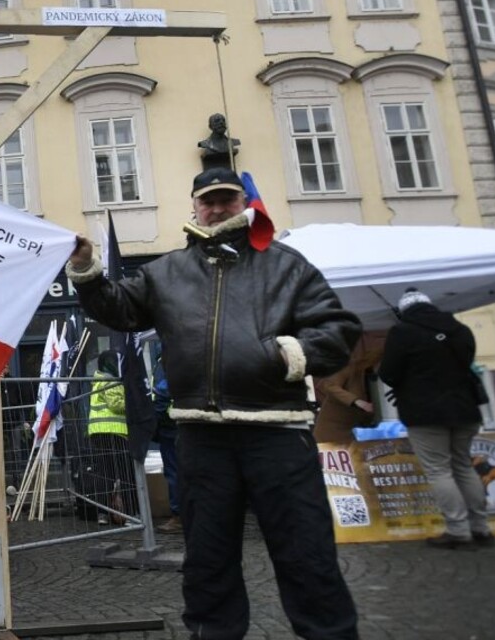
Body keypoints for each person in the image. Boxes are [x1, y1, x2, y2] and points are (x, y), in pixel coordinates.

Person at [66, 167, 362, 640]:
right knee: (207, 558)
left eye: (227, 198)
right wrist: (85, 268)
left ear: (242, 202)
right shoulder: (167, 272)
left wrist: (281, 354)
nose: (218, 207)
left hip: (278, 434)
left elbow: (338, 331)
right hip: (202, 437)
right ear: (195, 207)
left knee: (306, 553)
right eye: (209, 200)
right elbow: (117, 308)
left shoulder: (287, 266)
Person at [377, 288, 494, 549]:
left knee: (439, 469)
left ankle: (458, 531)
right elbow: (467, 363)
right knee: (463, 465)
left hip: (425, 412)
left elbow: (389, 373)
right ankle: (481, 528)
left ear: (404, 310)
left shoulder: (403, 332)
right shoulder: (459, 329)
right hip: (465, 409)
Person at [86, 350, 136, 525]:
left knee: (105, 474)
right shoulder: (110, 378)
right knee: (126, 473)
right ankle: (130, 514)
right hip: (114, 432)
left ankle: (103, 513)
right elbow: (116, 404)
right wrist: (135, 400)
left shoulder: (99, 379)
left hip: (99, 432)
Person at [313, 332, 386, 444]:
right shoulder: (352, 366)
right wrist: (356, 401)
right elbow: (329, 385)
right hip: (334, 425)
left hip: (361, 429)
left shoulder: (384, 377)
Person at [149, 344, 182, 534]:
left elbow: (162, 392)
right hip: (184, 424)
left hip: (171, 427)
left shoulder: (166, 363)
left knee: (174, 472)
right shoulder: (185, 358)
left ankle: (179, 517)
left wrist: (156, 419)